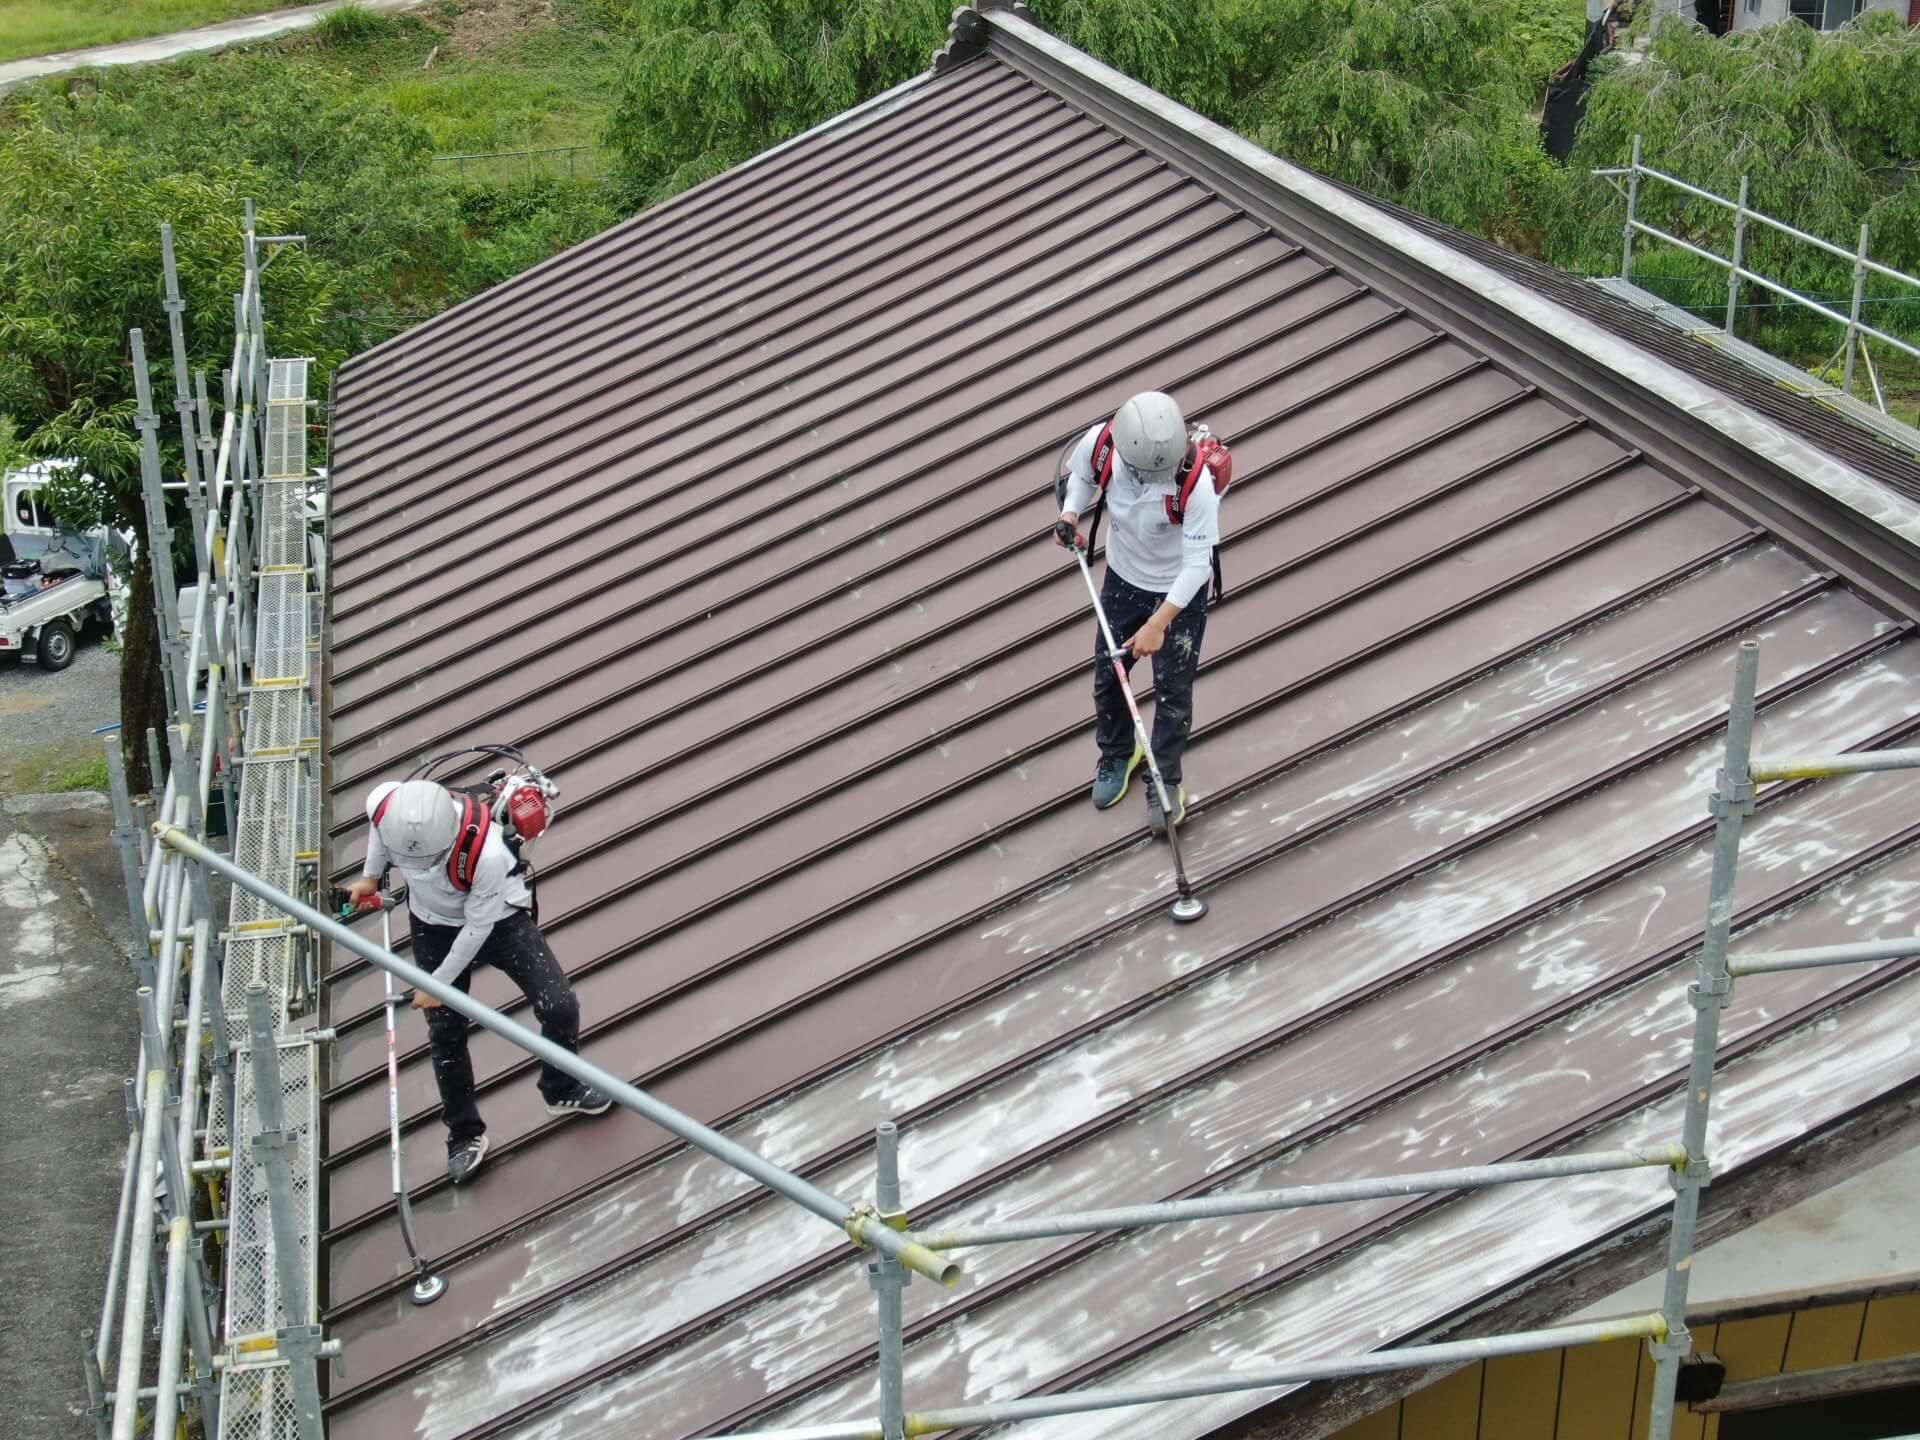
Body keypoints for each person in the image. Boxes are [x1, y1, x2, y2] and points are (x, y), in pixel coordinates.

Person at [344, 778, 610, 1183]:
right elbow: (380, 832)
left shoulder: (487, 855)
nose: (417, 870)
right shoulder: (387, 804)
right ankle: (464, 1135)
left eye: (427, 863)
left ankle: (561, 1088)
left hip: (498, 923)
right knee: (445, 1033)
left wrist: (438, 985)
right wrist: (369, 876)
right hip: (431, 925)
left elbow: (476, 929)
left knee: (560, 1005)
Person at [1054, 391, 1222, 834]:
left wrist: (1157, 624)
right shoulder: (1104, 443)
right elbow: (1083, 479)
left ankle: (1165, 780)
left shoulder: (1196, 483)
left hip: (1176, 597)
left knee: (1172, 693)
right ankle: (1117, 753)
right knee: (1109, 676)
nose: (1156, 479)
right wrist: (1072, 514)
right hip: (1123, 579)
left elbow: (1197, 566)